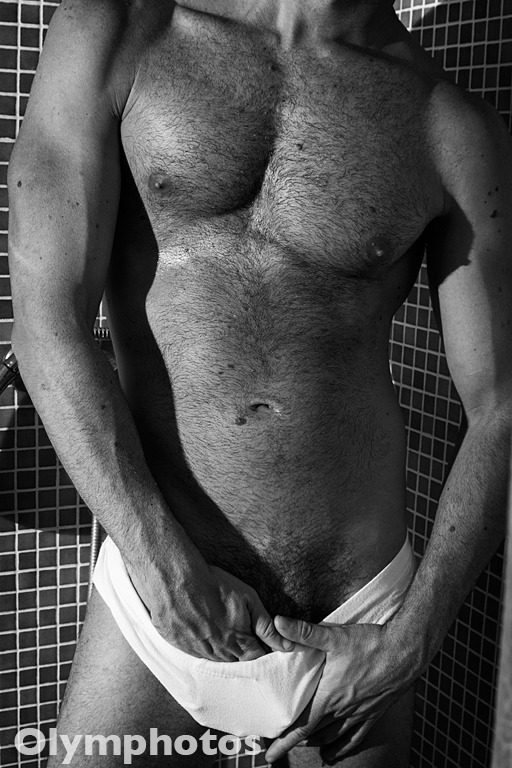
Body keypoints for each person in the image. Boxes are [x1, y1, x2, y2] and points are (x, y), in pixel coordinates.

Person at [8, 0, 512, 765]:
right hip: (159, 594)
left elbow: (501, 406)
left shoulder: (450, 123)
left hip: (360, 617)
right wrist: (160, 566)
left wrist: (411, 638)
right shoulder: (118, 33)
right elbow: (48, 320)